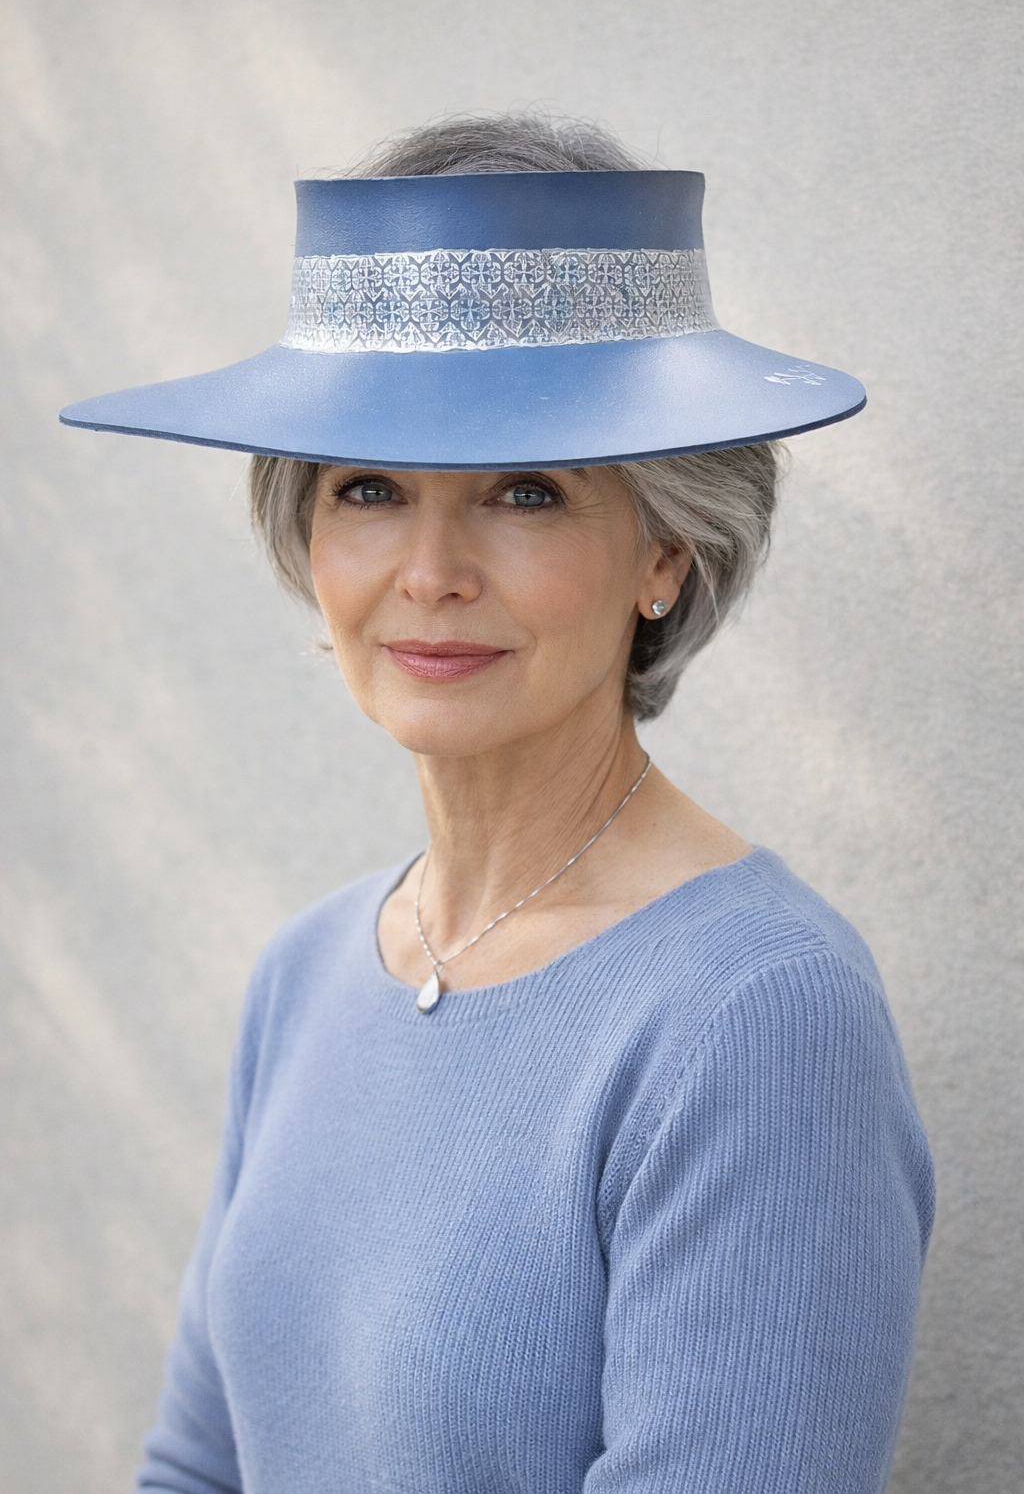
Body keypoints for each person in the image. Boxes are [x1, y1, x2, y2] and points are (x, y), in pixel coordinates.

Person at [61, 114, 933, 1494]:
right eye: (367, 490)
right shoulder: (305, 974)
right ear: (306, 542)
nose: (430, 569)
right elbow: (196, 1465)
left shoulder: (758, 1012)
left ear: (667, 550)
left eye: (526, 491)